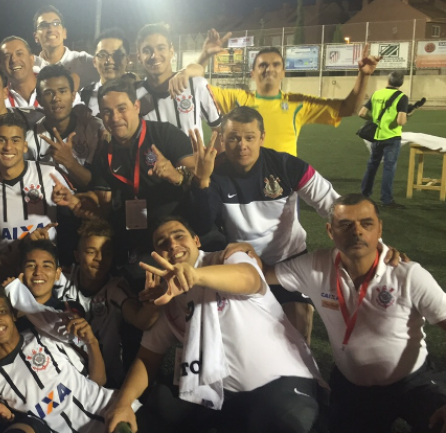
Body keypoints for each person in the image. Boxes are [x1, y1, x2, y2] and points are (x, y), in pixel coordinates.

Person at [105, 216, 321, 433]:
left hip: (281, 383)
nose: (171, 244)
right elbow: (147, 357)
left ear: (196, 241)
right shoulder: (168, 298)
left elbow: (249, 278)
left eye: (179, 236)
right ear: (157, 255)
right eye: (162, 243)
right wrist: (123, 404)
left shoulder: (227, 258)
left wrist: (194, 276)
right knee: (163, 406)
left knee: (281, 422)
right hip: (223, 398)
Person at [256, 194, 446, 433]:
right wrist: (238, 254)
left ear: (379, 229)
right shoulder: (314, 266)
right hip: (353, 387)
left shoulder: (408, 275)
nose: (356, 231)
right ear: (329, 231)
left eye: (366, 224)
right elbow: (260, 275)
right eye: (345, 225)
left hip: (413, 382)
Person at [188, 106, 339, 343]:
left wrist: (377, 247)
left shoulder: (286, 166)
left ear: (262, 137)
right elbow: (203, 223)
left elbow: (332, 204)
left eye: (249, 137)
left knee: (298, 338)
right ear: (222, 140)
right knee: (246, 341)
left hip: (289, 261)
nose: (242, 145)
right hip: (243, 265)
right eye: (233, 138)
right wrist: (203, 180)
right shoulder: (213, 171)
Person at [55, 77, 195, 282]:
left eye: (122, 109)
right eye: (107, 112)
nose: (115, 117)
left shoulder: (165, 134)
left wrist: (177, 175)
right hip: (134, 243)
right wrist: (79, 203)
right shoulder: (105, 153)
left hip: (171, 240)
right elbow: (104, 203)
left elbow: (197, 175)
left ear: (136, 106)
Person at [0, 283, 142, 433]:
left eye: (2, 311)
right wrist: (9, 416)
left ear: (13, 315)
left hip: (113, 410)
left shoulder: (44, 336)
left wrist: (92, 342)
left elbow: (99, 380)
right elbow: (17, 419)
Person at [170, 31, 381, 156]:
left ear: (283, 72)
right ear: (253, 73)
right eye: (262, 65)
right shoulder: (236, 99)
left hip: (283, 188)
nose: (268, 69)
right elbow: (196, 83)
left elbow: (348, 108)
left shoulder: (300, 104)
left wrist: (363, 76)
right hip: (241, 185)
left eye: (275, 65)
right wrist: (204, 56)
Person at [53, 220, 160, 388]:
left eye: (106, 253)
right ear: (77, 255)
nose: (100, 259)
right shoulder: (61, 278)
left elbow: (141, 320)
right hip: (61, 371)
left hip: (106, 381)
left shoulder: (116, 287)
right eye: (91, 251)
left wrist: (154, 305)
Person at [0, 112, 71, 263]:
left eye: (15, 140)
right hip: (6, 274)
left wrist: (67, 204)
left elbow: (76, 211)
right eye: (1, 140)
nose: (8, 147)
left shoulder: (50, 173)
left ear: (25, 146)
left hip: (44, 272)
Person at [135, 23, 221, 141]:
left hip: (195, 160)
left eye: (161, 48)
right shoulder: (134, 96)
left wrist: (213, 158)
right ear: (139, 56)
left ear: (171, 51)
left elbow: (218, 130)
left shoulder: (196, 85)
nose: (154, 55)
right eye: (147, 50)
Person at [34, 64, 106, 189]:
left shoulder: (96, 129)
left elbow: (98, 184)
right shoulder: (29, 135)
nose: (56, 98)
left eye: (62, 91)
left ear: (73, 95)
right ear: (39, 99)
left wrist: (69, 162)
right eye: (49, 93)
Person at [359, 71, 410, 209]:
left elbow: (362, 113)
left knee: (372, 165)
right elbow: (400, 121)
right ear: (401, 83)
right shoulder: (402, 97)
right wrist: (406, 115)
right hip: (392, 137)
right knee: (389, 168)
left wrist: (375, 119)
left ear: (388, 81)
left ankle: (364, 195)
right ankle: (386, 200)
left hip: (376, 136)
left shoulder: (377, 94)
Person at [32, 5, 98, 90]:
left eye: (56, 23)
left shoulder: (83, 61)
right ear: (36, 37)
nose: (50, 29)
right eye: (43, 25)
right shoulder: (30, 68)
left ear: (64, 33)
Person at [80, 28, 130, 116]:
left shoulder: (139, 93)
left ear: (127, 60)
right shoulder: (84, 95)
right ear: (94, 61)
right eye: (103, 55)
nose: (109, 61)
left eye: (117, 55)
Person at [0, 36, 41, 109]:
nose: (14, 60)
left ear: (32, 60)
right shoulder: (0, 102)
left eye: (19, 54)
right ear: (2, 66)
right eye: (7, 56)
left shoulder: (53, 87)